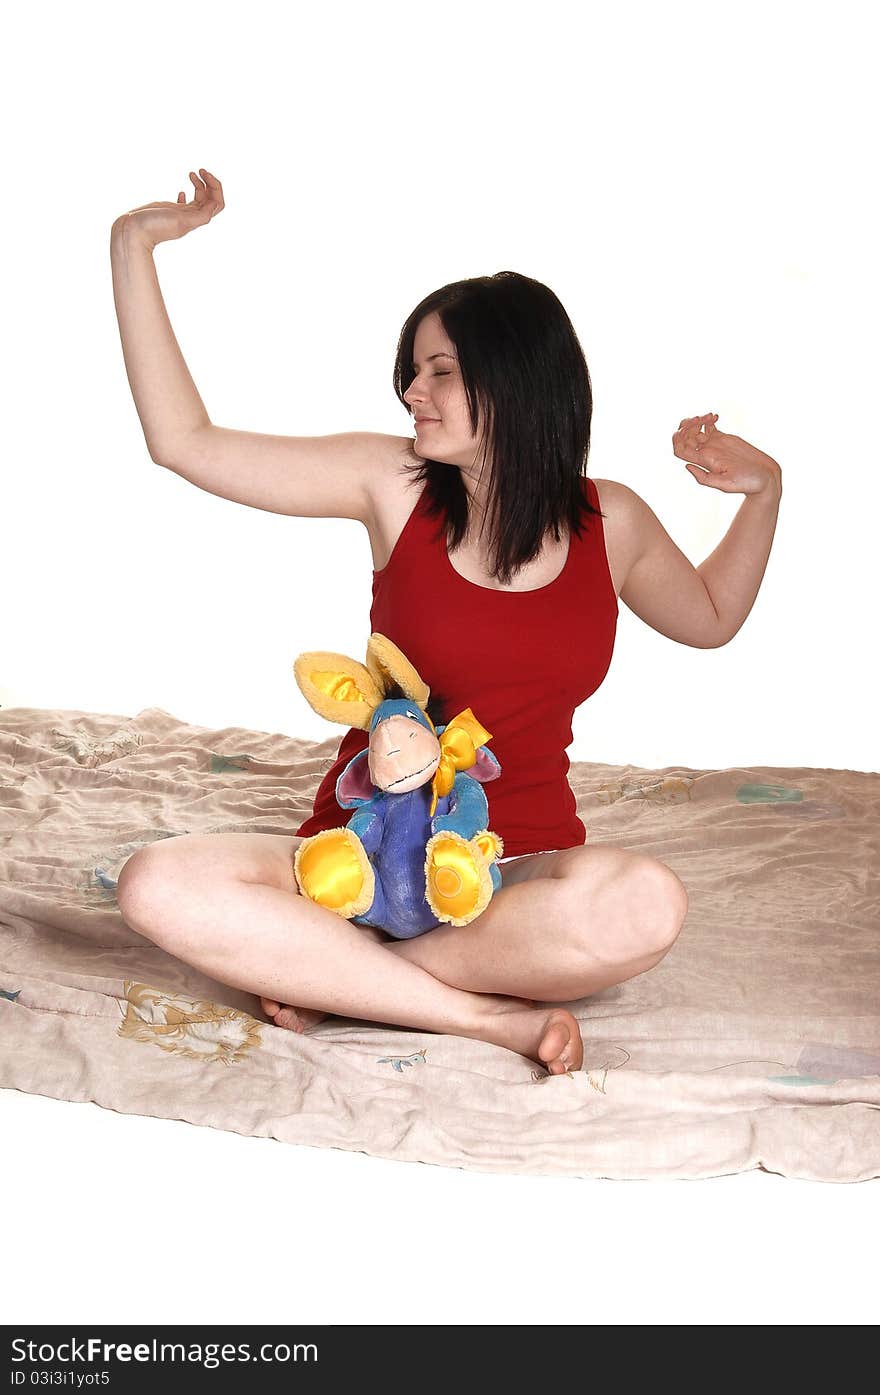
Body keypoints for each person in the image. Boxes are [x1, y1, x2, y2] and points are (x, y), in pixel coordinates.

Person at [110, 168, 783, 1076]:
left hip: (510, 874)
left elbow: (708, 618)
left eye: (439, 371)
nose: (412, 394)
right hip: (354, 860)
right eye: (412, 372)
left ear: (515, 381)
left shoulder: (611, 520)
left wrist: (763, 491)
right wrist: (132, 245)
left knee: (646, 903)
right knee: (157, 883)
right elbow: (184, 442)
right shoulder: (392, 486)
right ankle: (480, 1019)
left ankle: (343, 981)